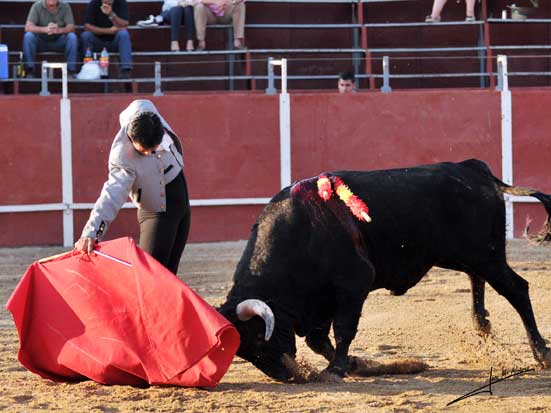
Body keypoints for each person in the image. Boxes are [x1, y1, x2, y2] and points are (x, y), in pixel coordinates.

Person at [75, 100, 191, 275]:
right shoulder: (122, 156)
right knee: (150, 274)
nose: (150, 153)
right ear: (132, 138)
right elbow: (111, 194)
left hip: (182, 206)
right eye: (144, 150)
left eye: (154, 148)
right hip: (157, 212)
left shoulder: (148, 111)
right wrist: (91, 232)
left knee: (169, 276)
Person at [23, 0, 78, 77]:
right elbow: (28, 27)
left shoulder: (65, 6)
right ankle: (29, 71)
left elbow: (71, 27)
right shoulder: (37, 6)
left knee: (72, 37)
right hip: (41, 42)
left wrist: (59, 30)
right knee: (29, 36)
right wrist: (45, 29)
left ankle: (71, 71)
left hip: (59, 41)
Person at [81, 0, 133, 78]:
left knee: (124, 34)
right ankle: (88, 67)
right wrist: (109, 31)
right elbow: (87, 26)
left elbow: (125, 24)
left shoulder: (121, 2)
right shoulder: (94, 3)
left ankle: (126, 69)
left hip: (114, 42)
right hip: (97, 41)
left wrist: (111, 14)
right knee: (86, 35)